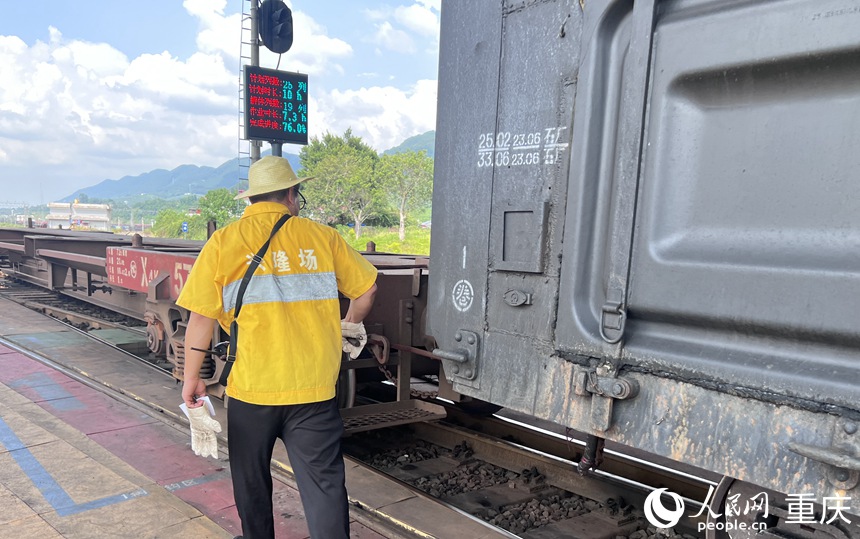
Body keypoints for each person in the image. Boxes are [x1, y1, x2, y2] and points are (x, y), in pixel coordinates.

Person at [176, 155, 378, 539]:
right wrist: (346, 327)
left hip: (252, 390)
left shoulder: (224, 242)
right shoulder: (323, 237)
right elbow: (367, 290)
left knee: (251, 482)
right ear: (291, 194)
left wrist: (192, 379)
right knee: (324, 487)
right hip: (314, 390)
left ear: (252, 200)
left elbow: (200, 318)